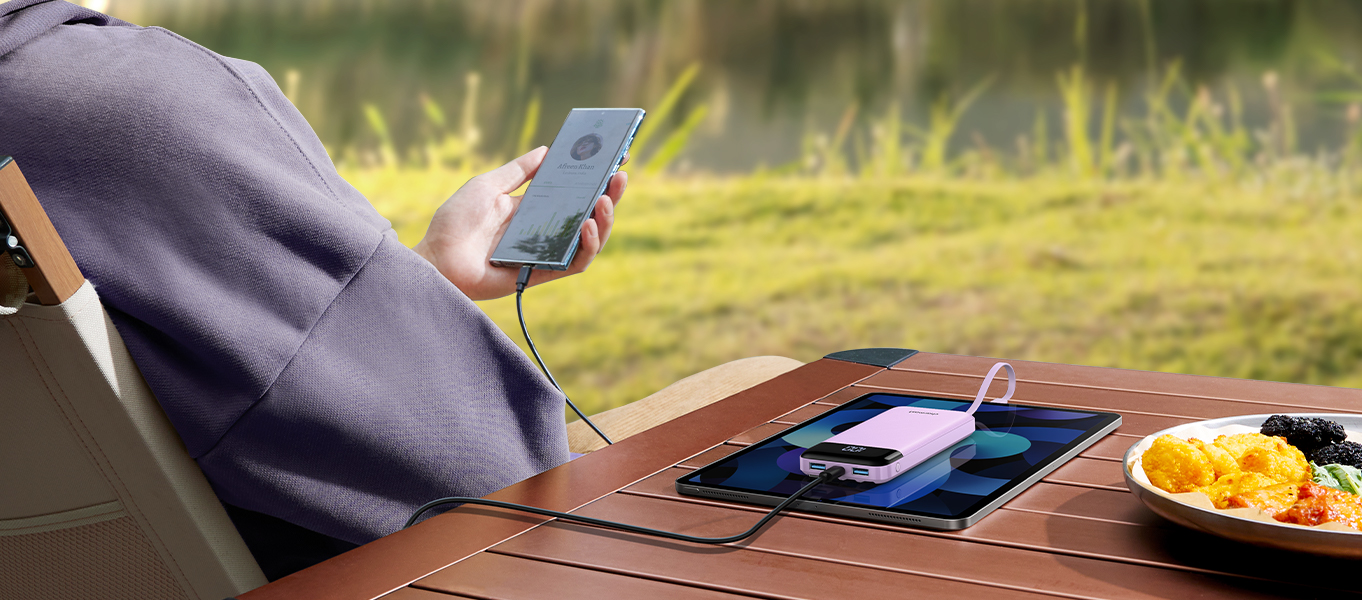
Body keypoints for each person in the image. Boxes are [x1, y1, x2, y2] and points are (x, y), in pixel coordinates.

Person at [0, 0, 800, 580]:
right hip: (413, 569)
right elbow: (481, 475)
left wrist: (408, 280)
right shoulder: (126, 103)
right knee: (775, 394)